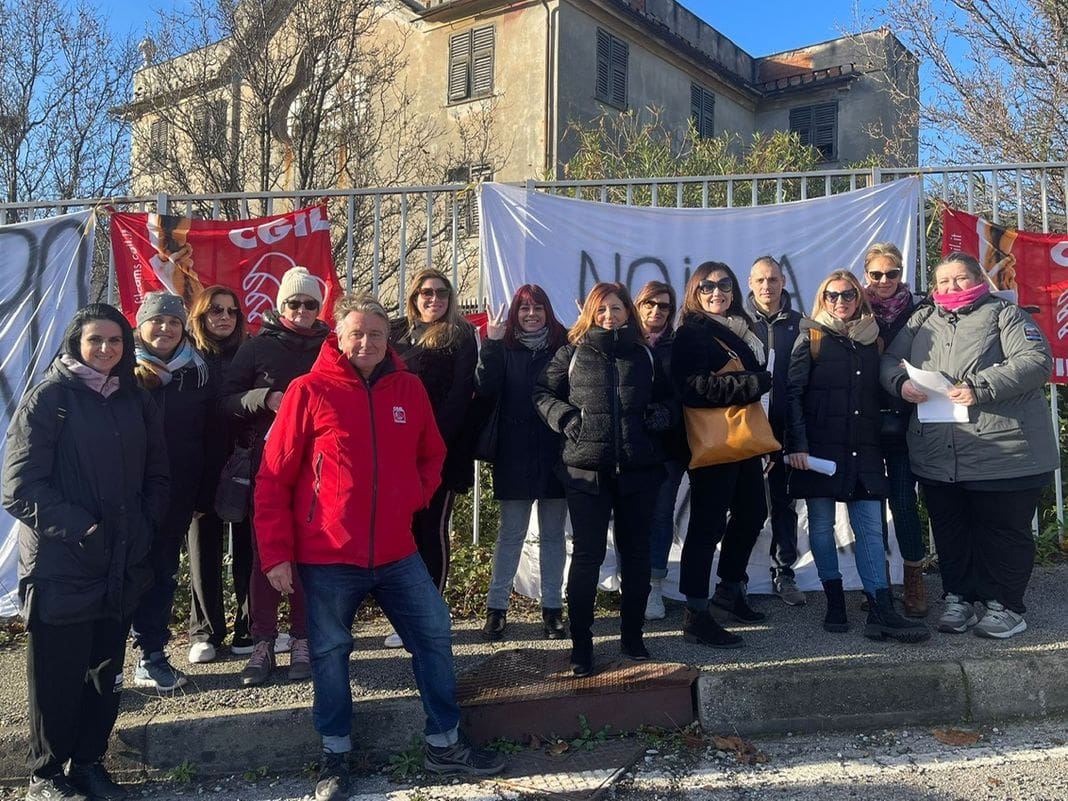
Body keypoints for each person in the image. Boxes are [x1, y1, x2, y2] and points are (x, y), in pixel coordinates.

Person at [254, 292, 505, 801]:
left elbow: (432, 454)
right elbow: (273, 478)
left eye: (375, 334)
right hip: (327, 555)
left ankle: (444, 744)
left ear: (388, 339)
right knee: (329, 652)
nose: (365, 342)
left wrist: (410, 497)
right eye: (356, 334)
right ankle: (336, 753)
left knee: (434, 633)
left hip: (396, 550)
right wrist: (276, 553)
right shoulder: (308, 391)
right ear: (338, 338)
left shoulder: (407, 390)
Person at [3, 303, 169, 801]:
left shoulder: (134, 399)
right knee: (56, 675)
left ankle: (89, 764)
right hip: (63, 565)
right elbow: (20, 487)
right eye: (95, 339)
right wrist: (85, 530)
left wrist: (143, 526)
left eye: (115, 341)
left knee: (104, 673)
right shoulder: (50, 399)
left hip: (122, 563)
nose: (105, 349)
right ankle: (46, 774)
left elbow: (158, 475)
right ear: (76, 342)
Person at [882, 252, 1057, 639]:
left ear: (980, 279)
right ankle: (957, 597)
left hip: (1004, 452)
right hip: (937, 454)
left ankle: (1006, 606)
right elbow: (891, 359)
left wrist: (980, 388)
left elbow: (1035, 360)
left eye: (960, 279)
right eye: (943, 281)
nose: (951, 287)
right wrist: (900, 384)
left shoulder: (1004, 315)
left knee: (1003, 532)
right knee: (950, 530)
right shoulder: (921, 319)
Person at [534, 281, 676, 677]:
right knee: (587, 557)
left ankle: (633, 636)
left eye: (616, 309)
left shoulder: (645, 355)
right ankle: (582, 646)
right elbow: (542, 393)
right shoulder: (572, 353)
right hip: (586, 473)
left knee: (636, 557)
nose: (609, 317)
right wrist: (566, 419)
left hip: (639, 471)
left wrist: (661, 416)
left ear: (628, 312)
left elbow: (670, 399)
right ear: (590, 313)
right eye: (601, 310)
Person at [785, 270, 928, 643]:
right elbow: (793, 395)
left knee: (870, 528)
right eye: (832, 295)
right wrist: (796, 445)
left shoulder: (873, 341)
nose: (840, 301)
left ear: (859, 298)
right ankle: (835, 602)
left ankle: (881, 610)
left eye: (848, 294)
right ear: (822, 298)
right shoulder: (811, 336)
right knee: (820, 525)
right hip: (819, 449)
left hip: (863, 447)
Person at [221, 266, 330, 685]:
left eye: (310, 304)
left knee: (307, 556)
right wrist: (263, 398)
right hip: (266, 463)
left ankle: (302, 637)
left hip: (319, 468)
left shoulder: (331, 345)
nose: (301, 310)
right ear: (279, 305)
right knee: (266, 553)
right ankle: (263, 640)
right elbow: (223, 402)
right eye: (294, 303)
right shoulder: (255, 348)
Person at [671, 262, 771, 650]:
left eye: (724, 284)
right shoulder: (691, 333)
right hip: (713, 442)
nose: (717, 292)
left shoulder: (739, 329)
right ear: (694, 292)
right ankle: (696, 613)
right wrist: (753, 384)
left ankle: (730, 590)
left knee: (752, 514)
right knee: (706, 525)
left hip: (742, 440)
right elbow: (692, 388)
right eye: (707, 286)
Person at [130, 291, 217, 690]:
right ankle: (104, 661)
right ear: (140, 324)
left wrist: (201, 496)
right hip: (124, 497)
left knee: (161, 576)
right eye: (156, 320)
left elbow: (207, 438)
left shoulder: (196, 374)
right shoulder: (118, 370)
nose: (164, 328)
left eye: (173, 322)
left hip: (176, 496)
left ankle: (151, 656)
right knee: (118, 578)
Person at [388, 269, 478, 647]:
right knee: (400, 533)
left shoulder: (460, 336)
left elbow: (461, 396)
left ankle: (430, 611)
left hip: (440, 450)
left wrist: (428, 441)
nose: (434, 299)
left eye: (442, 292)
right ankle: (402, 613)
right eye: (426, 292)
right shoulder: (394, 332)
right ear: (414, 296)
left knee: (431, 529)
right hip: (395, 450)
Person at [475, 284, 569, 641]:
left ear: (548, 311)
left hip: (555, 453)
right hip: (513, 453)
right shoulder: (506, 347)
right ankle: (496, 609)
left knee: (553, 536)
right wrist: (494, 343)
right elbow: (484, 388)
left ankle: (552, 611)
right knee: (510, 534)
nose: (531, 314)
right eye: (524, 308)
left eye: (538, 308)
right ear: (515, 313)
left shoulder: (563, 347)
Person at [185, 286, 253, 664]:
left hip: (243, 464)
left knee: (249, 547)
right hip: (200, 466)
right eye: (215, 311)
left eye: (231, 311)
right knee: (202, 549)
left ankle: (248, 626)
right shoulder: (187, 358)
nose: (224, 317)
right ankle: (206, 631)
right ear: (201, 316)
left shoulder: (251, 352)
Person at [862, 243, 927, 617]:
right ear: (866, 273)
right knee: (870, 507)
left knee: (903, 503)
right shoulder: (854, 306)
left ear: (902, 273)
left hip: (908, 420)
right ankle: (878, 583)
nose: (885, 281)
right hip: (867, 422)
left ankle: (915, 581)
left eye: (892, 274)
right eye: (876, 274)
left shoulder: (922, 309)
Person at [746, 256, 805, 606]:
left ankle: (785, 573)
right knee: (742, 507)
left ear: (783, 282)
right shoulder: (737, 323)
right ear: (750, 284)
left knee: (784, 505)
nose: (767, 286)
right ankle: (734, 577)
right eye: (760, 280)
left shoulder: (802, 325)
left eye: (773, 279)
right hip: (746, 433)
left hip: (785, 429)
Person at [633, 280, 686, 620]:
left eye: (664, 305)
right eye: (650, 303)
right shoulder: (623, 340)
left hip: (668, 445)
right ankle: (632, 583)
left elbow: (685, 394)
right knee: (630, 517)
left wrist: (663, 414)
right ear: (638, 305)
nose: (656, 310)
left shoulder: (678, 346)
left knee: (660, 516)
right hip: (629, 445)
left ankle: (653, 586)